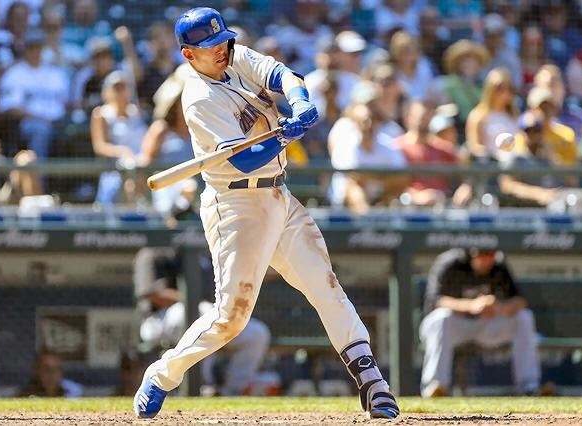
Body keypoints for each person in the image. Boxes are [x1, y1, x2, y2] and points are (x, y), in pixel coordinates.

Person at [133, 8, 400, 420]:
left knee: (326, 285)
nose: (220, 50)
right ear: (188, 54)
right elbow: (243, 161)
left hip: (279, 195)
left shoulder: (235, 55)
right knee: (231, 318)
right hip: (236, 205)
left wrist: (300, 101)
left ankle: (374, 384)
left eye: (222, 41)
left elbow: (282, 76)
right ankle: (162, 374)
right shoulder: (199, 98)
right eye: (209, 46)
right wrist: (284, 136)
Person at [133, 247, 270, 397]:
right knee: (200, 313)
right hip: (158, 321)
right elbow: (152, 294)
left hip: (206, 314)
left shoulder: (206, 255)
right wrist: (193, 302)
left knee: (257, 333)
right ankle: (204, 386)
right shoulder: (152, 252)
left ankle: (231, 392)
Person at [419, 248, 540, 397]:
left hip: (486, 327)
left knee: (524, 317)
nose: (487, 259)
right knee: (442, 317)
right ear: (471, 253)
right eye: (482, 254)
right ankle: (435, 386)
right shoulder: (451, 262)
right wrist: (472, 305)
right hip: (455, 327)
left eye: (490, 254)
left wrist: (499, 308)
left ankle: (529, 388)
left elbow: (520, 301)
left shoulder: (498, 265)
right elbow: (435, 300)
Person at [0, 29, 69, 160]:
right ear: (25, 49)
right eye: (31, 47)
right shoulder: (14, 74)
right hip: (29, 122)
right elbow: (10, 108)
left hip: (58, 122)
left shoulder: (56, 74)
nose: (35, 50)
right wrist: (40, 118)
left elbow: (66, 103)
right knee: (40, 130)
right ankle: (37, 172)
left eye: (38, 46)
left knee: (75, 131)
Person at [328, 101, 407, 214]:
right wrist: (382, 178)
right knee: (355, 190)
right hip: (345, 199)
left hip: (379, 194)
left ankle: (379, 216)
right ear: (355, 123)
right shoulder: (345, 146)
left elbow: (401, 176)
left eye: (372, 119)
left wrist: (371, 179)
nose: (369, 125)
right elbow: (353, 178)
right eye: (364, 121)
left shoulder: (386, 145)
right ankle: (366, 221)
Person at [140, 65, 195, 215]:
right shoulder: (160, 129)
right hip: (164, 198)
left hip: (198, 202)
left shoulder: (201, 129)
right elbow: (145, 167)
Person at [90, 71, 147, 205]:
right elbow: (99, 146)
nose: (121, 92)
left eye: (124, 87)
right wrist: (123, 152)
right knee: (130, 173)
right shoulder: (101, 113)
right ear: (106, 92)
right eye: (116, 88)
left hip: (143, 163)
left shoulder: (137, 112)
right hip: (116, 169)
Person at [499, 111, 561, 207]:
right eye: (528, 131)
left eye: (536, 131)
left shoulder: (548, 157)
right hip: (523, 208)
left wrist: (551, 155)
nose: (533, 135)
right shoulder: (516, 157)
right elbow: (506, 185)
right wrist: (537, 193)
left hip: (549, 207)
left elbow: (569, 181)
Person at [465, 68, 519, 161]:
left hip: (515, 164)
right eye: (500, 88)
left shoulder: (514, 113)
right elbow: (474, 147)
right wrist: (496, 157)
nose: (505, 93)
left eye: (509, 88)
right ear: (490, 89)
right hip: (490, 165)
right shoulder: (478, 116)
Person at [533, 64, 582, 142]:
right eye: (546, 85)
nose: (549, 90)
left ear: (563, 87)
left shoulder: (580, 117)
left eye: (554, 84)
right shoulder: (530, 120)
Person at [521, 86, 578, 167]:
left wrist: (552, 158)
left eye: (548, 107)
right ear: (531, 110)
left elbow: (572, 172)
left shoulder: (566, 134)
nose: (545, 111)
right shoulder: (524, 134)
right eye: (540, 107)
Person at [480, 13, 523, 91]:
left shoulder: (511, 57)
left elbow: (517, 85)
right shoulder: (477, 55)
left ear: (503, 35)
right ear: (484, 36)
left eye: (497, 34)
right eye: (490, 35)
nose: (494, 39)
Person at [389, 30, 434, 101]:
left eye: (410, 50)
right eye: (402, 50)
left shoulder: (424, 67)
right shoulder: (390, 73)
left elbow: (430, 95)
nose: (405, 54)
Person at [19, 350, 84, 398]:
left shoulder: (72, 393)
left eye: (57, 369)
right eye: (46, 369)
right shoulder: (24, 397)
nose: (52, 374)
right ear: (36, 371)